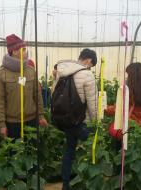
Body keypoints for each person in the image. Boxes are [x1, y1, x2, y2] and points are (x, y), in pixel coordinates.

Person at [53, 49, 98, 190]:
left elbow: (55, 94)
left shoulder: (61, 71)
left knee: (69, 150)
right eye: (91, 65)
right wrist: (96, 122)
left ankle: (65, 184)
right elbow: (92, 103)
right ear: (89, 60)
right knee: (90, 151)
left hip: (66, 120)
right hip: (81, 121)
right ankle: (85, 182)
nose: (90, 68)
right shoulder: (87, 74)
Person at [0, 34, 48, 139]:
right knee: (15, 152)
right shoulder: (1, 73)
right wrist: (2, 124)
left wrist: (41, 116)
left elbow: (37, 95)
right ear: (14, 51)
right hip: (12, 123)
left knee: (31, 151)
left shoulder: (30, 71)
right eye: (23, 50)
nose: (26, 52)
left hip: (31, 120)